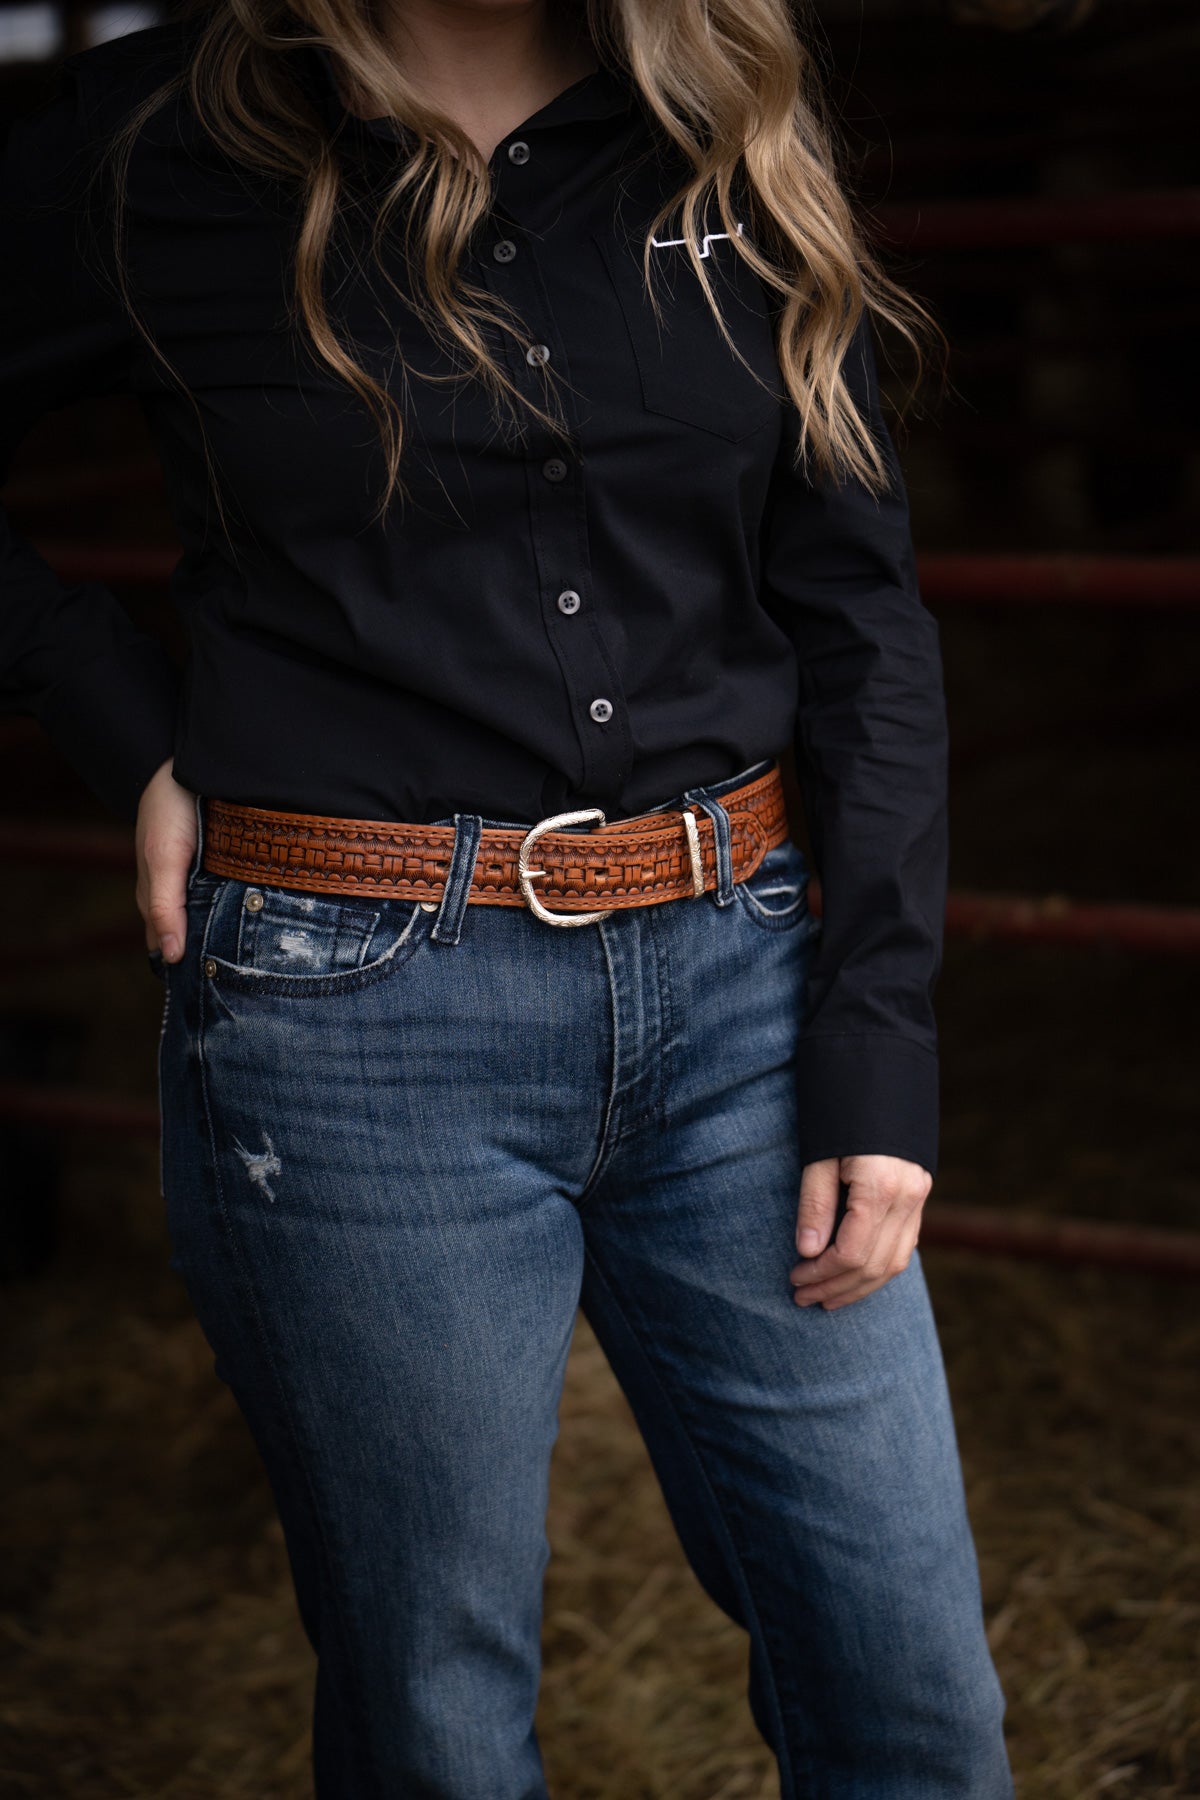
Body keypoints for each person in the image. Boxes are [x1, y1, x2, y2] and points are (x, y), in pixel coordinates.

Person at [0, 0, 1015, 1793]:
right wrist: (128, 725)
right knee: (438, 1726)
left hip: (745, 993)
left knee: (915, 1700)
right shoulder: (151, 137)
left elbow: (862, 618)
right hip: (354, 1021)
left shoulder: (720, 115)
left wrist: (877, 1037)